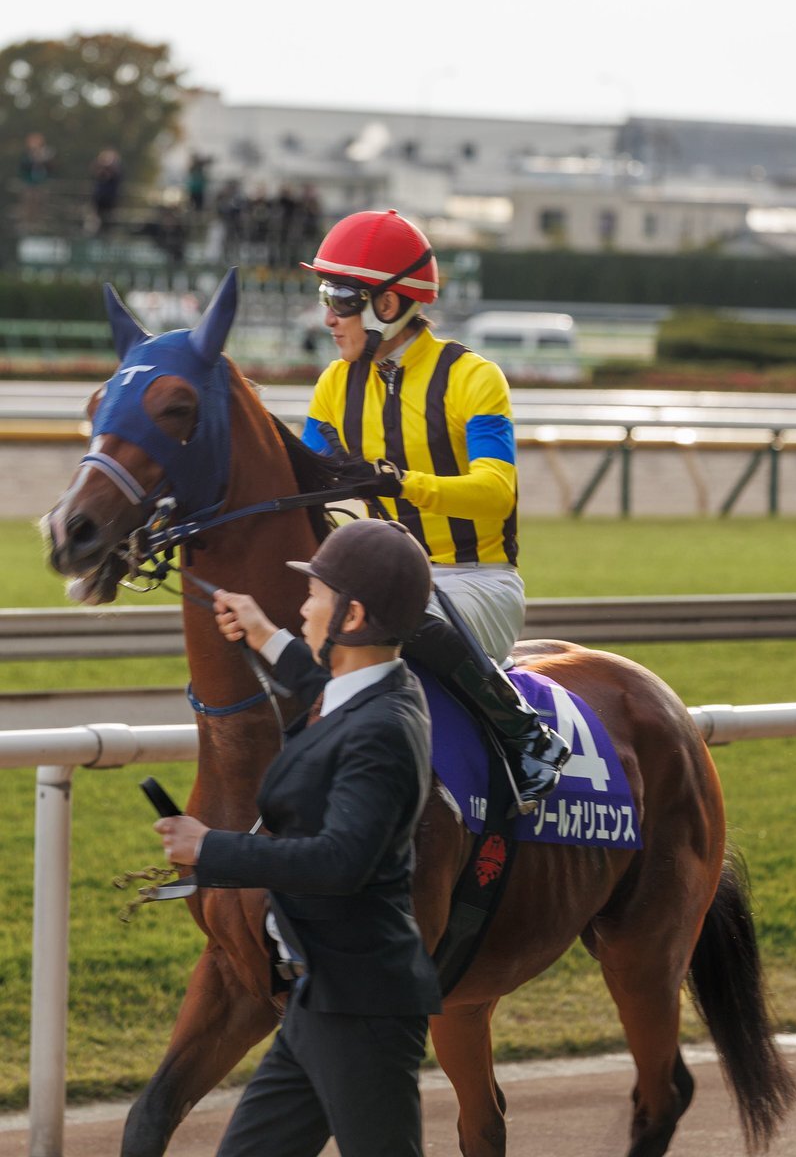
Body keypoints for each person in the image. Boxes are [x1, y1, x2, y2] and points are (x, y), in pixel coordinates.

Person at [154, 517, 441, 1157]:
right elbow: (323, 691)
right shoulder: (372, 692)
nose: (304, 607)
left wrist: (210, 848)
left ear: (353, 616)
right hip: (319, 999)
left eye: (316, 595)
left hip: (363, 1011)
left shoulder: (383, 729)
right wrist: (261, 632)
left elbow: (340, 862)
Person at [299, 208, 570, 812]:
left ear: (388, 304)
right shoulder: (333, 386)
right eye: (325, 297)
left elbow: (496, 490)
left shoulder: (475, 378)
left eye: (340, 299)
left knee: (398, 610)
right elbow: (303, 484)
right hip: (390, 583)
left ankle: (525, 735)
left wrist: (403, 484)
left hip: (478, 580)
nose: (329, 317)